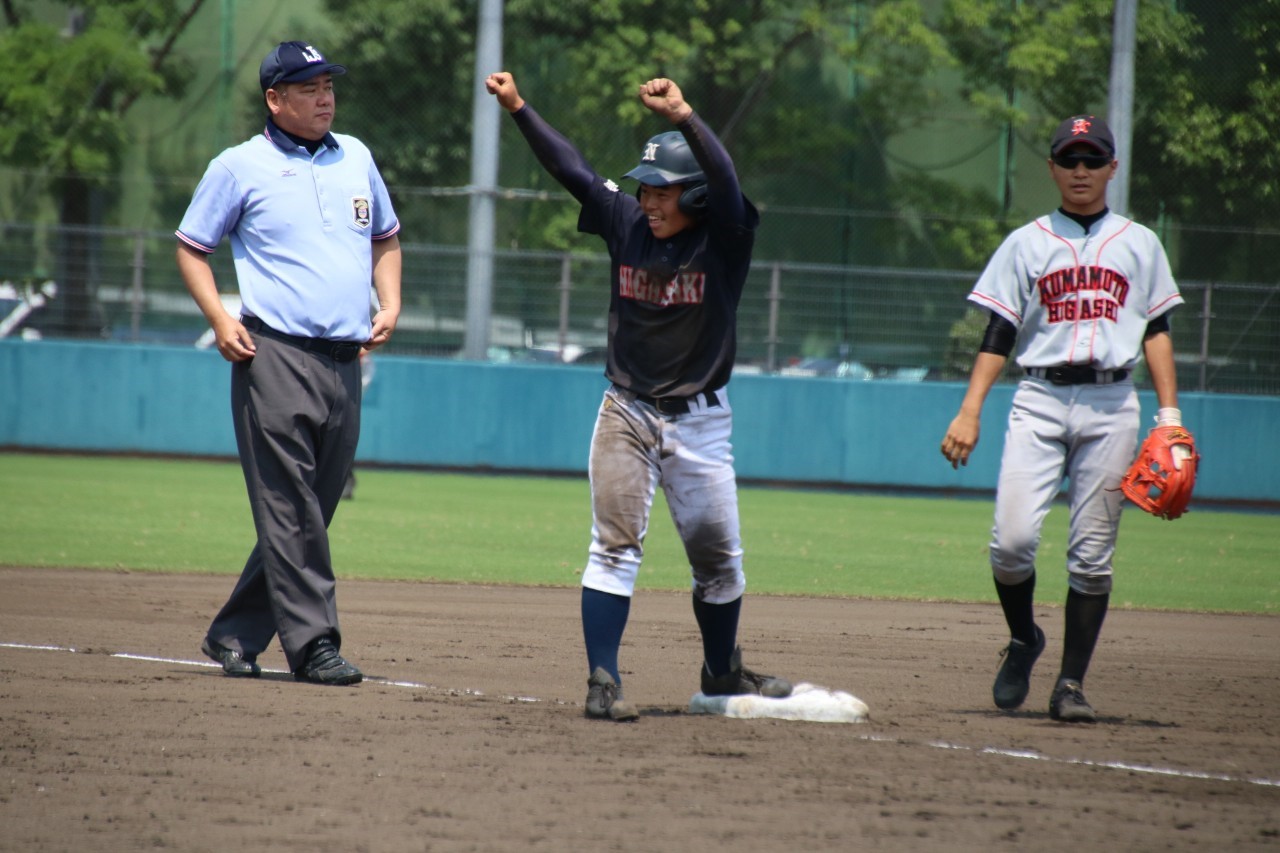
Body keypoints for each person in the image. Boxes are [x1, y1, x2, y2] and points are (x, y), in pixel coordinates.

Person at [485, 72, 793, 721]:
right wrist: (519, 108)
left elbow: (728, 179)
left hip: (701, 421)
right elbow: (572, 170)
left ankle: (721, 670)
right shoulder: (625, 222)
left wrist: (685, 117)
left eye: (661, 189)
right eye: (643, 188)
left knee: (719, 560)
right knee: (614, 547)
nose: (646, 199)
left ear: (696, 195)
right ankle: (603, 679)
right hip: (626, 410)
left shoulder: (724, 237)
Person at [940, 115, 1185, 722]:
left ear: (1111, 168)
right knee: (1012, 543)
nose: (1081, 170)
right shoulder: (1027, 242)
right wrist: (970, 410)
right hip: (1040, 397)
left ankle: (1070, 684)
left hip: (1111, 402)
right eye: (1070, 160)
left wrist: (1171, 415)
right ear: (1051, 168)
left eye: (1092, 159)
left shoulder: (1139, 242)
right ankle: (1025, 638)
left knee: (1091, 557)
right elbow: (999, 329)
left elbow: (1156, 329)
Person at [175, 41, 402, 686]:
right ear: (275, 100)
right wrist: (221, 320)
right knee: (291, 507)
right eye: (307, 87)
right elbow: (192, 248)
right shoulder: (239, 167)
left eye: (328, 84)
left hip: (343, 362)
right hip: (272, 354)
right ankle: (315, 646)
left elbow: (385, 236)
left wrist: (391, 301)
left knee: (311, 508)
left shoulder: (355, 156)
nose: (324, 95)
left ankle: (235, 633)